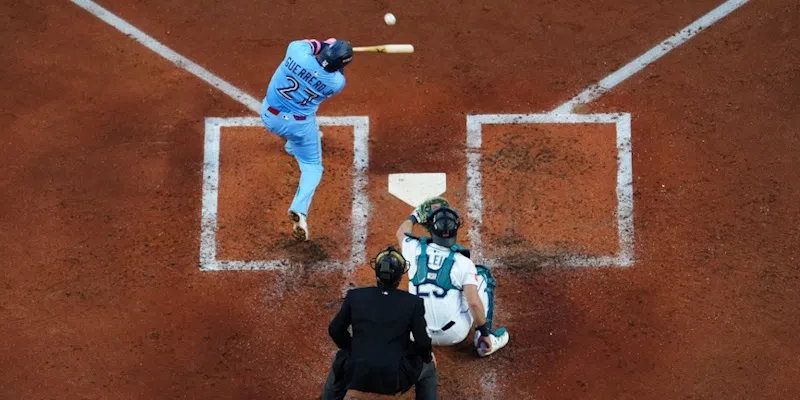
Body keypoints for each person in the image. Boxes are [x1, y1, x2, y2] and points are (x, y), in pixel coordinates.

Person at [260, 37, 353, 241]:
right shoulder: (336, 83)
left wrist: (328, 43)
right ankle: (299, 209)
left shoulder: (295, 51)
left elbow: (315, 45)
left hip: (269, 116)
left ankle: (292, 145)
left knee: (294, 132)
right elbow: (337, 71)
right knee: (312, 166)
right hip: (299, 126)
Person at [396, 197, 510, 357]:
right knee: (482, 275)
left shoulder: (414, 249)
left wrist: (415, 215)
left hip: (417, 333)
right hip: (454, 334)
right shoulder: (463, 263)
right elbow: (474, 303)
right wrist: (483, 331)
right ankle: (484, 339)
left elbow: (401, 232)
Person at [320, 246, 439, 400]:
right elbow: (422, 342)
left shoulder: (354, 296)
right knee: (428, 368)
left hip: (355, 371)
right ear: (399, 275)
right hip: (394, 379)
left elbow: (335, 329)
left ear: (377, 272)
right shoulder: (413, 302)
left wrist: (351, 347)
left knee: (341, 361)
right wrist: (425, 356)